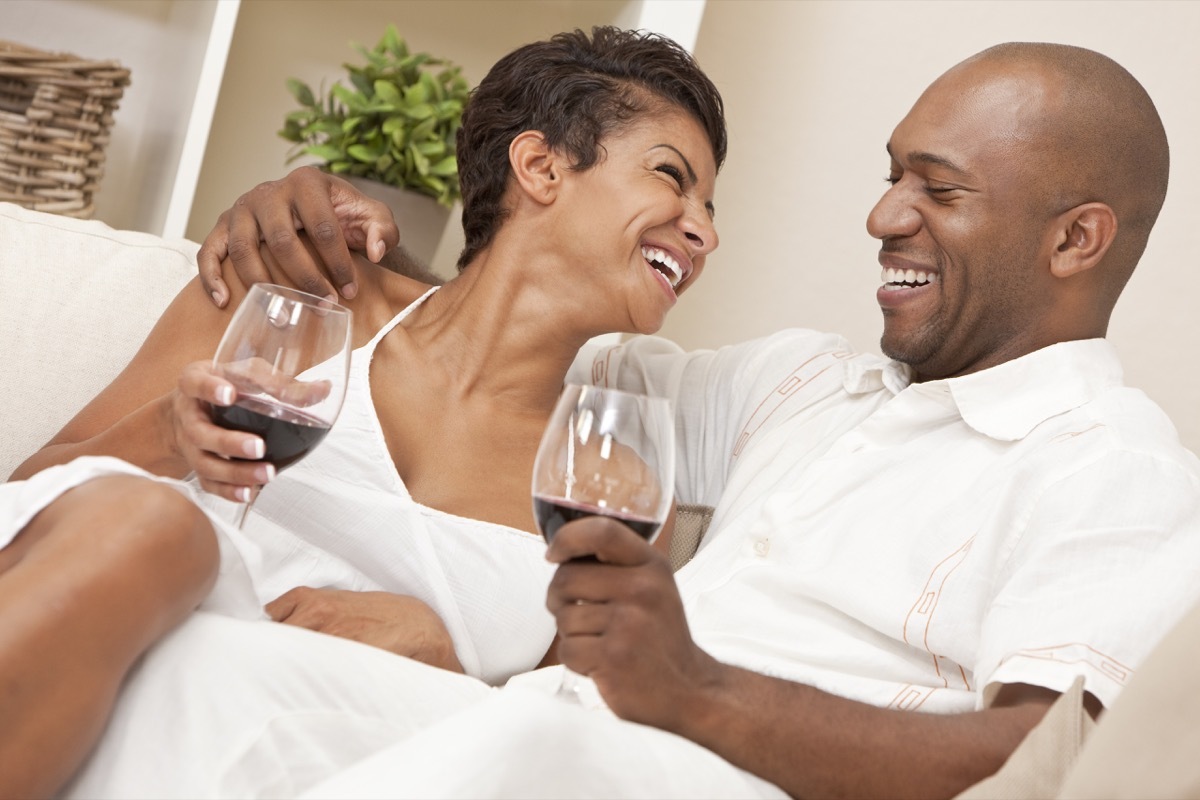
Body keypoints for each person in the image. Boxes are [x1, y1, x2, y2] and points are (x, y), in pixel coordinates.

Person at [195, 41, 1200, 799]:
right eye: (892, 175)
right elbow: (511, 328)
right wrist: (320, 236)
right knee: (219, 669)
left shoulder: (1112, 465)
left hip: (677, 770)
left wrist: (698, 690)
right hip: (538, 729)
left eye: (937, 188)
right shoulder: (808, 382)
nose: (885, 217)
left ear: (1076, 239)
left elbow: (1052, 757)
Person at [1, 26, 725, 799]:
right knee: (155, 523)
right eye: (670, 177)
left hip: (333, 766)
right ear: (541, 167)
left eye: (709, 207)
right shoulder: (300, 298)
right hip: (92, 701)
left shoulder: (613, 484)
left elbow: (564, 737)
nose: (705, 232)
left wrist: (445, 658)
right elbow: (28, 501)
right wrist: (165, 433)